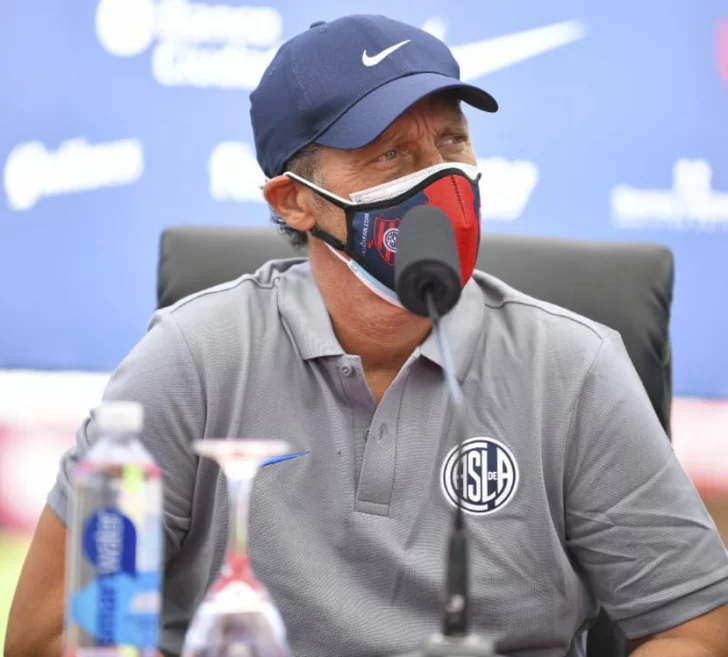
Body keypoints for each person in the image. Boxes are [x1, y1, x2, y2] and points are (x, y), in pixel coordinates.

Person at [6, 13, 728, 657]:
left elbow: (699, 627)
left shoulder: (574, 370)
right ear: (295, 202)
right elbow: (49, 634)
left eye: (452, 141)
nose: (442, 180)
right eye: (392, 155)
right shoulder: (192, 359)